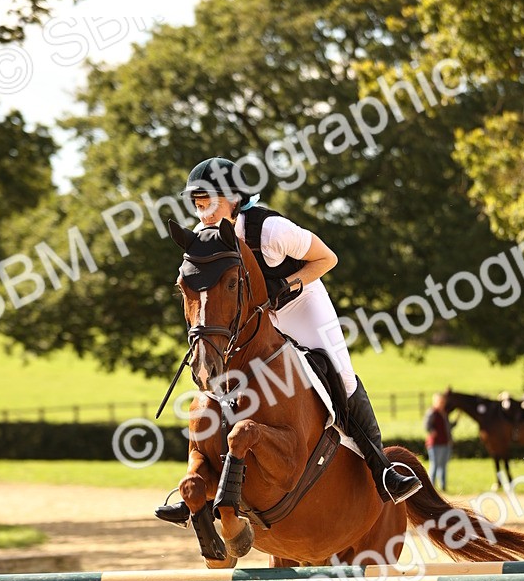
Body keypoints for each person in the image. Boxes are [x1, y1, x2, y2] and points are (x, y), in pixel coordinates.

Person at [156, 157, 421, 524]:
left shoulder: (271, 230)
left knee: (340, 375)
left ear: (234, 199)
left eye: (209, 203)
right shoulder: (202, 238)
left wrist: (289, 284)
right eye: (197, 205)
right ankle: (198, 486)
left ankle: (383, 471)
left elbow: (327, 258)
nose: (203, 214)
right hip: (256, 319)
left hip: (301, 304)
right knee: (218, 381)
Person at [424, 391, 454, 490]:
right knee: (435, 465)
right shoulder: (432, 412)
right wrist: (433, 432)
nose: (442, 403)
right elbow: (427, 426)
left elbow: (447, 427)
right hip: (435, 444)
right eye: (440, 401)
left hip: (445, 443)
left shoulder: (444, 413)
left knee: (443, 466)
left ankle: (443, 486)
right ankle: (431, 487)